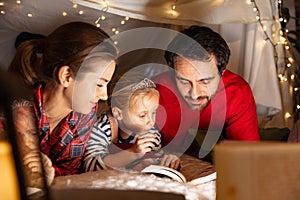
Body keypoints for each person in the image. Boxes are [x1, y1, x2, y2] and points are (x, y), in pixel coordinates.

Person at [0, 21, 118, 183]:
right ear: (66, 76)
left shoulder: (84, 114)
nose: (104, 95)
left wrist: (45, 168)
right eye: (99, 84)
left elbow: (69, 170)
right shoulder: (17, 108)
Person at [153, 25, 260, 159]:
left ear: (222, 73)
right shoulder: (155, 92)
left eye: (205, 81)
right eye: (184, 81)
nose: (194, 94)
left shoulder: (237, 93)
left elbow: (249, 155)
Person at [84, 73, 180, 172]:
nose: (151, 121)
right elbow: (91, 165)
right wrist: (133, 153)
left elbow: (156, 155)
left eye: (154, 112)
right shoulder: (102, 128)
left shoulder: (151, 133)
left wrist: (165, 159)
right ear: (118, 113)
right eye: (142, 115)